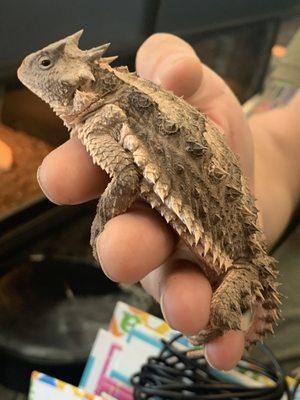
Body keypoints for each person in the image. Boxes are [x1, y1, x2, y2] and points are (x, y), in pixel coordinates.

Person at [36, 32, 300, 370]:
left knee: (218, 314)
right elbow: (286, 140)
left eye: (47, 65)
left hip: (241, 264)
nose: (38, 68)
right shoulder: (106, 111)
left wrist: (103, 218)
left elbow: (127, 176)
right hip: (254, 226)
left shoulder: (106, 115)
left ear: (79, 82)